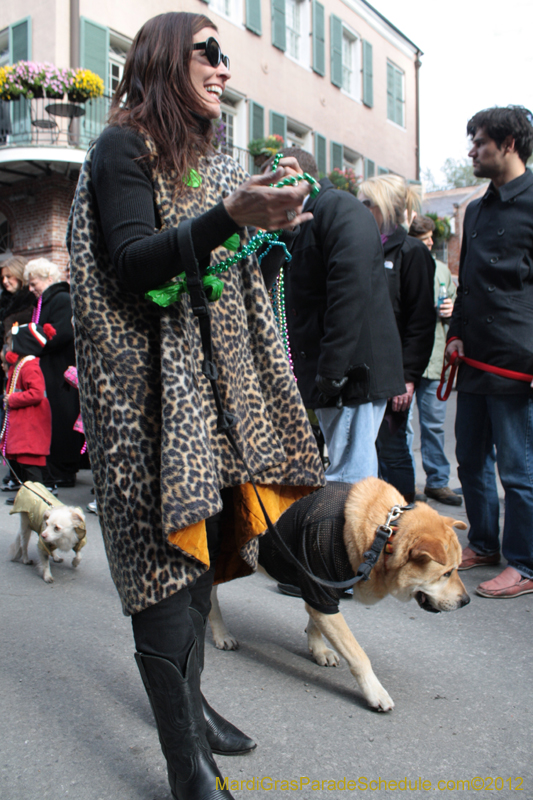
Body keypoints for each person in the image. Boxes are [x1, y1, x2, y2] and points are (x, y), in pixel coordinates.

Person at [68, 12, 324, 800]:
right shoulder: (122, 145)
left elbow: (214, 262)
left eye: (225, 56)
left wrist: (263, 225)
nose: (223, 68)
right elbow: (138, 264)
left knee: (201, 557)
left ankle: (190, 706)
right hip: (143, 402)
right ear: (161, 61)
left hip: (202, 398)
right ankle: (187, 765)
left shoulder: (203, 161)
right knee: (162, 569)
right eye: (208, 52)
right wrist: (229, 220)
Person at [270, 147, 405, 484]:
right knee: (348, 471)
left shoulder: (338, 209)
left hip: (351, 376)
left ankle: (348, 538)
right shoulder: (311, 216)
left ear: (293, 173)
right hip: (340, 375)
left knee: (349, 479)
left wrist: (332, 370)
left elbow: (350, 293)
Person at [445, 105, 533, 599]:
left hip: (518, 363)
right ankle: (483, 541)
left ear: (508, 144)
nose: (472, 150)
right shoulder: (475, 208)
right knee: (470, 460)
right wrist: (455, 331)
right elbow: (467, 284)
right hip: (473, 358)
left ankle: (525, 563)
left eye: (479, 141)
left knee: (519, 471)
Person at [358, 175, 436, 503]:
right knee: (365, 453)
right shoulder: (362, 244)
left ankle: (401, 526)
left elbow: (420, 321)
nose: (360, 209)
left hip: (394, 376)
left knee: (392, 451)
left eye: (367, 203)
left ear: (386, 207)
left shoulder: (413, 252)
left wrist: (408, 377)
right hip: (362, 371)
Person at [407, 215, 461, 506]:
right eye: (425, 238)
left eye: (431, 238)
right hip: (408, 360)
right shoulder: (404, 263)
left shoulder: (442, 271)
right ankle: (405, 483)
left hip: (435, 358)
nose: (430, 243)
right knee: (403, 427)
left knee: (434, 425)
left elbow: (458, 307)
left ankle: (437, 482)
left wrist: (452, 310)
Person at [24, 258, 81, 488]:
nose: (30, 288)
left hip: (59, 372)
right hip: (48, 369)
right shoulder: (45, 301)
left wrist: (29, 340)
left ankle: (64, 470)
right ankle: (55, 469)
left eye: (33, 282)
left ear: (48, 278)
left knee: (62, 420)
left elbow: (61, 333)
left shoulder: (60, 299)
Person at [0, 322, 54, 491]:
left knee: (31, 471)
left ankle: (38, 499)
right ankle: (29, 498)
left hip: (30, 427)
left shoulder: (30, 366)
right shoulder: (23, 364)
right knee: (26, 469)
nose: (9, 347)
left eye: (11, 343)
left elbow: (37, 393)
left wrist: (13, 398)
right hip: (25, 427)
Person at [0, 256, 34, 344]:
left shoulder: (31, 300)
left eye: (8, 276)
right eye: (2, 277)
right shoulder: (4, 300)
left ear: (20, 275)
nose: (4, 281)